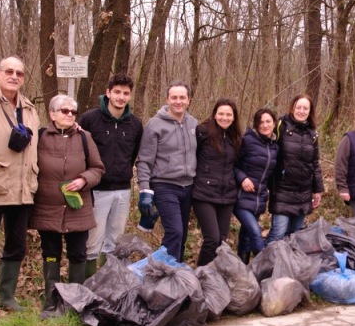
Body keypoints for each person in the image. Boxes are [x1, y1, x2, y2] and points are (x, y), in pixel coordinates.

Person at [30, 95, 104, 319]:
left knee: (78, 254)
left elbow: (98, 168)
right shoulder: (40, 136)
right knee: (50, 253)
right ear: (52, 114)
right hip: (47, 207)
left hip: (77, 208)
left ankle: (76, 303)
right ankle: (51, 302)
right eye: (64, 111)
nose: (70, 115)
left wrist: (84, 180)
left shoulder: (84, 137)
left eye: (73, 111)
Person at [78, 73, 143, 278]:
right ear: (108, 93)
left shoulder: (135, 124)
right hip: (97, 190)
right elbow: (80, 151)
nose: (121, 97)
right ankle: (87, 283)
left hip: (123, 190)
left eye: (125, 93)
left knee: (114, 241)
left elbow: (134, 154)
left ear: (130, 96)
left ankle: (108, 284)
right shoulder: (90, 119)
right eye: (117, 92)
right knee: (92, 240)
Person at [0, 56, 39, 311]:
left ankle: (6, 297)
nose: (14, 76)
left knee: (16, 246)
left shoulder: (29, 109)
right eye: (9, 71)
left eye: (19, 73)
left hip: (22, 189)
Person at [136, 80, 197, 262]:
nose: (178, 101)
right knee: (175, 232)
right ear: (167, 99)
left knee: (182, 234)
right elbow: (144, 161)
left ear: (189, 100)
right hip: (165, 185)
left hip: (188, 187)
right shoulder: (155, 125)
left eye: (182, 97)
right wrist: (144, 190)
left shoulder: (193, 123)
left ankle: (174, 273)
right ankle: (164, 274)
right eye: (174, 97)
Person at [266, 94, 324, 243]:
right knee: (278, 234)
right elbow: (267, 149)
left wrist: (318, 190)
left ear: (310, 111)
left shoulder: (312, 134)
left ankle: (287, 265)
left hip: (303, 192)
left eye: (305, 108)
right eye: (299, 107)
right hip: (282, 189)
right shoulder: (281, 125)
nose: (301, 111)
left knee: (295, 235)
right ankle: (264, 263)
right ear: (292, 108)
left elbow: (315, 163)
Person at [192, 98, 242, 266]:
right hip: (203, 194)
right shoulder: (202, 132)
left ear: (234, 117)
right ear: (214, 115)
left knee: (221, 240)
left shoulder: (235, 138)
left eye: (229, 114)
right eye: (221, 114)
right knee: (212, 239)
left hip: (227, 195)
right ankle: (200, 276)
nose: (224, 118)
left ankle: (212, 277)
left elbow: (238, 165)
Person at [233, 108, 279, 264]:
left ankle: (243, 266)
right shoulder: (247, 140)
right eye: (261, 122)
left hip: (259, 199)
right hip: (241, 197)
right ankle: (265, 265)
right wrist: (243, 178)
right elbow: (232, 164)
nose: (265, 125)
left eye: (268, 122)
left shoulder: (275, 147)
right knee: (255, 233)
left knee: (246, 234)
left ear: (274, 124)